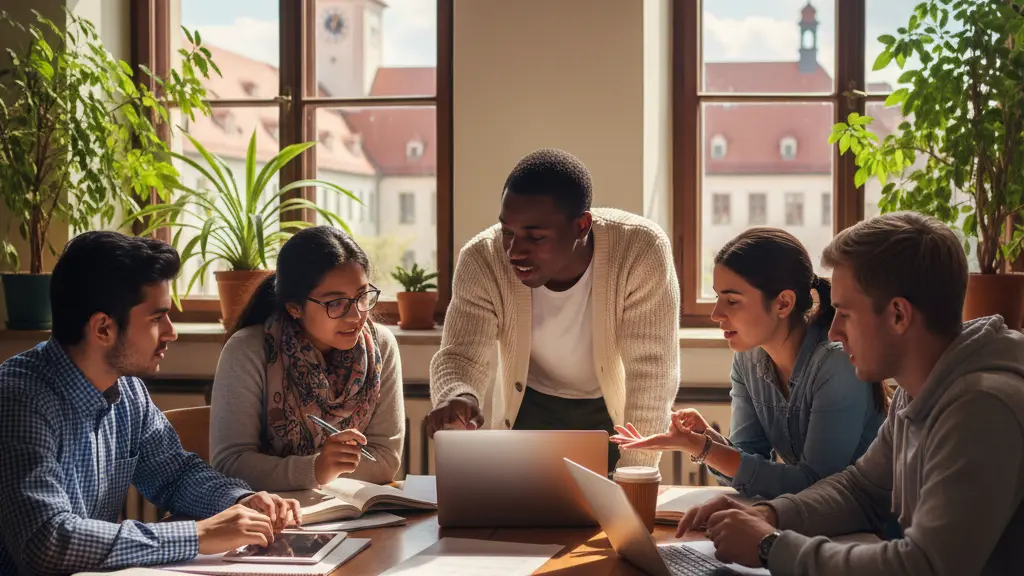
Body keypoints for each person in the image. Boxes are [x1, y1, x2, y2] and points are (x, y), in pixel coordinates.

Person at [675, 212, 1024, 574]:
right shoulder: (919, 389)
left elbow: (925, 566)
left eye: (845, 313)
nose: (833, 332)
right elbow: (860, 490)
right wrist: (767, 514)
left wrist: (770, 547)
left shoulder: (980, 409)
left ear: (899, 315)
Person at [0, 231, 300, 575]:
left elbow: (174, 474)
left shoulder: (127, 389)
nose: (171, 332)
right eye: (158, 318)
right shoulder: (18, 401)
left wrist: (238, 500)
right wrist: (197, 535)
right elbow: (47, 541)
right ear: (102, 329)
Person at [426, 148, 680, 471]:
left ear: (581, 226)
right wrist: (459, 396)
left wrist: (636, 472)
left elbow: (651, 373)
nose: (514, 251)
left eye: (535, 236)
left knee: (610, 518)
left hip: (611, 417)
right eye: (507, 231)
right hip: (527, 409)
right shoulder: (482, 259)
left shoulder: (641, 250)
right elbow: (460, 356)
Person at [611, 228, 886, 499]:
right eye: (717, 297)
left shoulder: (836, 365)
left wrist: (701, 447)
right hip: (810, 525)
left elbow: (814, 486)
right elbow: (748, 462)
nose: (716, 314)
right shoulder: (748, 358)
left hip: (868, 530)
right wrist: (705, 438)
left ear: (783, 303)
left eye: (732, 300)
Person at [211, 226, 404, 491]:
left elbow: (384, 460)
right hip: (267, 517)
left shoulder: (381, 346)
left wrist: (325, 472)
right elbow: (229, 465)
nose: (356, 315)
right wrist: (315, 470)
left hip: (349, 515)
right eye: (335, 303)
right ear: (294, 307)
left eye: (361, 296)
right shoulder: (248, 351)